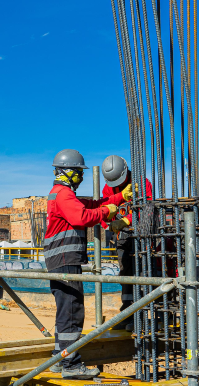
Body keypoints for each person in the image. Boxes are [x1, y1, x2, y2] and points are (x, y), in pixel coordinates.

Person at [44, 149, 132, 380]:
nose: (81, 177)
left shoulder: (62, 194)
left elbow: (94, 203)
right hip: (64, 261)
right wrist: (107, 211)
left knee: (66, 310)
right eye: (78, 173)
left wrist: (120, 198)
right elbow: (81, 217)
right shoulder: (63, 195)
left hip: (62, 260)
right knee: (72, 310)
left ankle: (59, 357)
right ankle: (70, 364)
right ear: (68, 173)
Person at [99, 154, 152, 331]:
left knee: (144, 274)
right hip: (123, 238)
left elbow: (148, 208)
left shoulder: (141, 183)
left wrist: (128, 220)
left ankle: (143, 316)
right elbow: (103, 209)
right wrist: (108, 222)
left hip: (142, 237)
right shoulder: (108, 188)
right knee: (126, 276)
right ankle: (127, 314)